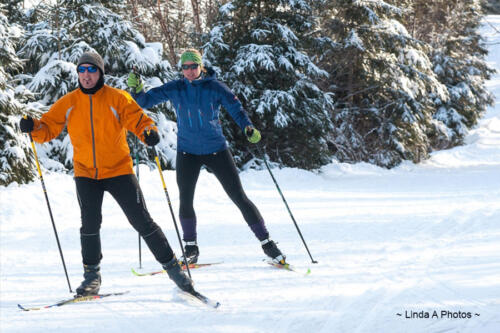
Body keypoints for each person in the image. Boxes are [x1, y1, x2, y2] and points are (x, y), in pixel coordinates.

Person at [19, 51, 194, 296]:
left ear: (100, 72)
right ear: (78, 74)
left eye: (91, 70)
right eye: (82, 70)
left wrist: (148, 133)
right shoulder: (69, 102)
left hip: (119, 170)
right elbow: (47, 128)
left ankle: (174, 269)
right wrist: (33, 127)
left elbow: (140, 121)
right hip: (85, 173)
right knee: (89, 224)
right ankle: (91, 277)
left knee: (141, 220)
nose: (86, 75)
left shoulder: (117, 98)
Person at [127, 49, 286, 265]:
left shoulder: (215, 87)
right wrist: (136, 88)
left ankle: (268, 243)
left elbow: (236, 109)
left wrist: (247, 127)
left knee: (238, 196)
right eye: (185, 67)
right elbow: (144, 102)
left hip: (216, 150)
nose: (190, 71)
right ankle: (191, 247)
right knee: (185, 198)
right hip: (187, 152)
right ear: (181, 70)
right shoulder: (176, 88)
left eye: (194, 66)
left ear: (201, 66)